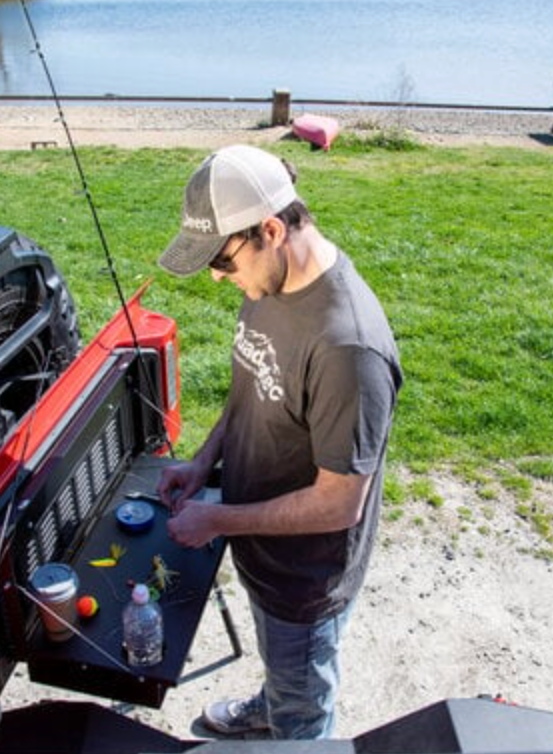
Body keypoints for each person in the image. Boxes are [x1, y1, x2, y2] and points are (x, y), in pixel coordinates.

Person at [156, 144, 403, 740]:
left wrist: (219, 521)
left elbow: (339, 503)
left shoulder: (349, 348)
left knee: (305, 712)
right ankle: (272, 705)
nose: (219, 277)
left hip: (303, 580)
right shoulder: (268, 281)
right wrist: (203, 461)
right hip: (259, 546)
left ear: (270, 228)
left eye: (221, 259)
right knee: (283, 667)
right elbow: (252, 381)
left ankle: (289, 724)